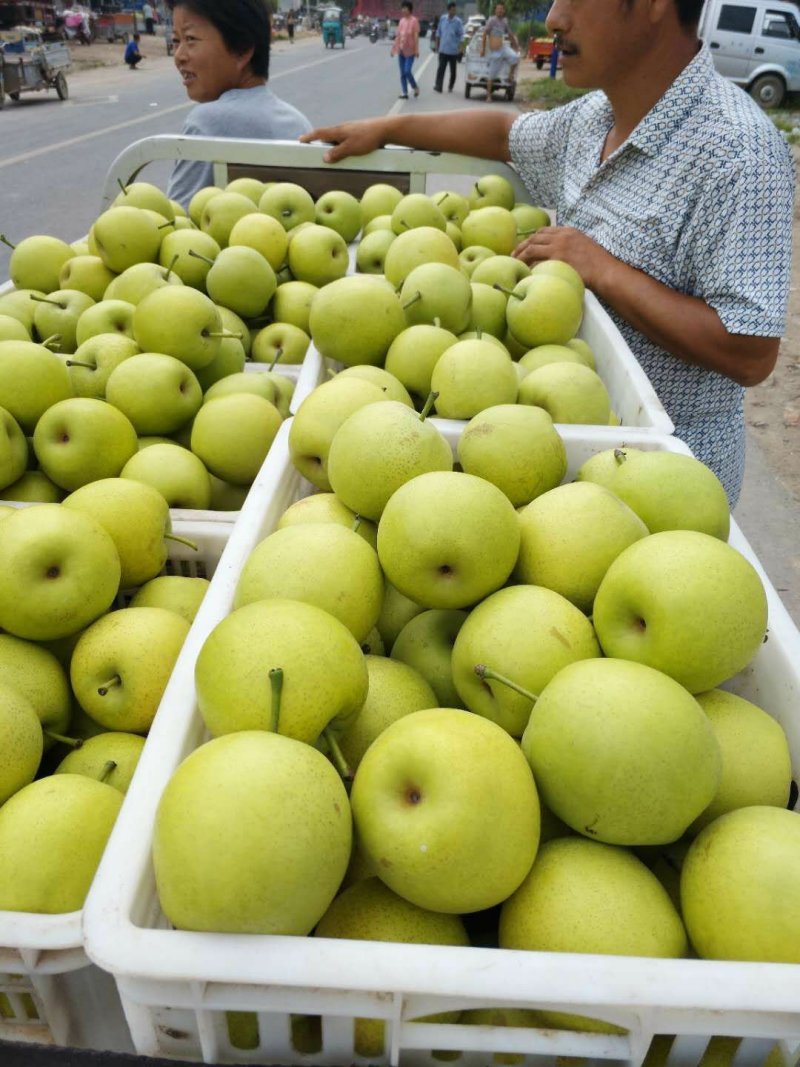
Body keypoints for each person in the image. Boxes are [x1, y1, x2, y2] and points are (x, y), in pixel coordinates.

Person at [300, 0, 795, 506]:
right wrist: (385, 130)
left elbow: (751, 351)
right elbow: (503, 135)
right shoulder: (596, 116)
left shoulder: (738, 154)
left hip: (660, 477)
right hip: (548, 449)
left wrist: (603, 269)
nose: (555, 19)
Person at [165, 0, 312, 208]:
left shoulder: (206, 123)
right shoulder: (299, 123)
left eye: (190, 39)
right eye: (175, 41)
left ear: (242, 51)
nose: (179, 56)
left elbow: (176, 219)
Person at [481, 1, 519, 101]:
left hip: (503, 48)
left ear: (504, 11)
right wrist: (483, 49)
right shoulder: (491, 21)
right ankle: (488, 95)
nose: (500, 11)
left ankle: (510, 75)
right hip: (494, 51)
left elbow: (510, 34)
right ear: (495, 10)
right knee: (491, 75)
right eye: (498, 9)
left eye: (501, 9)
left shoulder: (505, 22)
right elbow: (485, 34)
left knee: (515, 57)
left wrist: (515, 46)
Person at [433, 2, 463, 94]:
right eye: (452, 10)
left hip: (453, 51)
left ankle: (450, 85)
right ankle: (439, 86)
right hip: (443, 49)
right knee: (441, 69)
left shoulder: (458, 22)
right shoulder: (443, 19)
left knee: (453, 71)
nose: (454, 11)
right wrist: (437, 46)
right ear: (448, 10)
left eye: (455, 10)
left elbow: (461, 35)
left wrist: (460, 48)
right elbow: (438, 33)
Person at [392, 1, 420, 100]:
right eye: (402, 8)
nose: (403, 10)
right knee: (402, 73)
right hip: (401, 50)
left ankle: (415, 87)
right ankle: (404, 92)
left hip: (410, 51)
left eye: (405, 8)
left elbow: (416, 36)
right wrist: (394, 49)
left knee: (407, 71)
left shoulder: (414, 21)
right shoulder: (401, 21)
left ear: (410, 9)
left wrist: (417, 50)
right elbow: (398, 36)